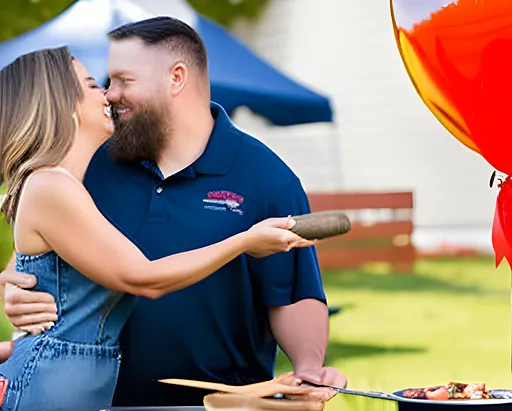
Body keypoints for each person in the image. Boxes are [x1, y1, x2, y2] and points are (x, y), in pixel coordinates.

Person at [0, 16, 347, 407]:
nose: (111, 95)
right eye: (103, 82)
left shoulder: (268, 177)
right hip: (97, 401)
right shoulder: (87, 164)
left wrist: (308, 364)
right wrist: (13, 287)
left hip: (221, 403)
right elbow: (36, 257)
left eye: (123, 81)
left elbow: (294, 293)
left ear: (176, 78)